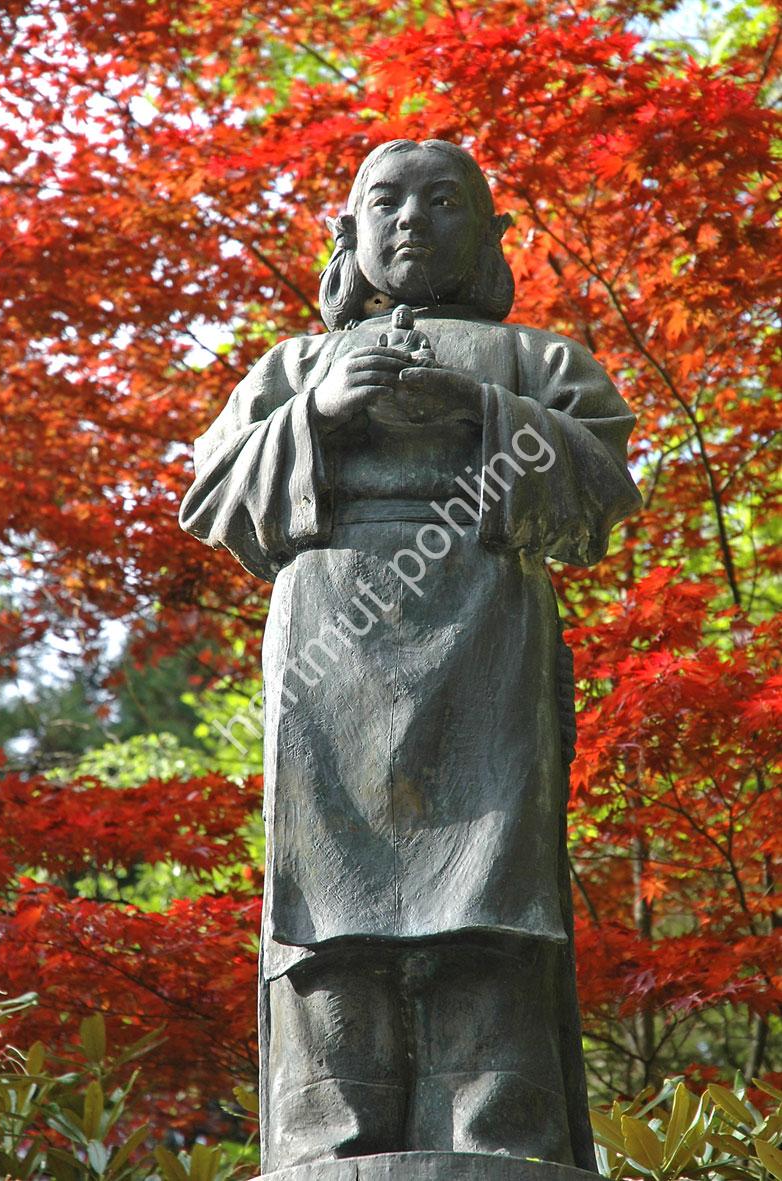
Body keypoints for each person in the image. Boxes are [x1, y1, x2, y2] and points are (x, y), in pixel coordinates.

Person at [179, 139, 642, 1174]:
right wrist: (320, 416)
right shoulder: (292, 365)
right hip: (330, 634)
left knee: (492, 886)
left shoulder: (536, 360)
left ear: (484, 234)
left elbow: (604, 484)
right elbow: (210, 496)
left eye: (442, 202)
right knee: (329, 898)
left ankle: (492, 1126)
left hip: (486, 618)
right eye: (384, 202)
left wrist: (487, 413)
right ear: (346, 233)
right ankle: (330, 1131)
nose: (412, 221)